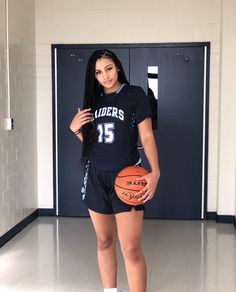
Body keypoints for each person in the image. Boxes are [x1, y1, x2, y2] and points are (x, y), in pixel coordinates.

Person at [69, 49, 160, 292]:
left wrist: (155, 171)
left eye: (108, 68)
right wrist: (76, 130)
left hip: (127, 176)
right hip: (96, 177)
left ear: (117, 67)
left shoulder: (134, 95)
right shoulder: (93, 100)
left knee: (130, 247)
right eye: (99, 72)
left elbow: (147, 136)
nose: (105, 75)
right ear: (94, 76)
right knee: (104, 240)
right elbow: (95, 144)